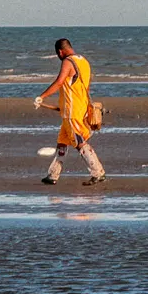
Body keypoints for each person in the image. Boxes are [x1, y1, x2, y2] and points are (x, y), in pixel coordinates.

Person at [33, 37, 104, 184]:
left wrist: (42, 96)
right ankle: (53, 175)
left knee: (79, 142)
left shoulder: (68, 62)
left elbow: (59, 82)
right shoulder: (84, 61)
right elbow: (86, 87)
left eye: (58, 55)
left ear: (60, 51)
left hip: (73, 112)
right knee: (62, 143)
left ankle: (98, 172)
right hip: (76, 109)